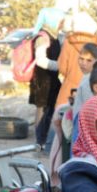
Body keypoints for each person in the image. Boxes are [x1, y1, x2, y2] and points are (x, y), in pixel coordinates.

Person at [29, 8, 65, 149]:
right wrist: (60, 66)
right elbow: (40, 60)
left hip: (49, 79)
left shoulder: (52, 36)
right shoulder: (43, 37)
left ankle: (41, 139)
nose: (62, 24)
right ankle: (39, 141)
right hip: (43, 80)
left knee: (46, 109)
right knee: (42, 110)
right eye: (60, 21)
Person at [55, 12, 97, 109]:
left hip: (70, 88)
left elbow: (62, 67)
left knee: (65, 119)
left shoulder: (68, 42)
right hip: (90, 89)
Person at [72, 43, 97, 117]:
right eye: (81, 59)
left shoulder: (90, 81)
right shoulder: (87, 75)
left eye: (89, 60)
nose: (84, 63)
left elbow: (90, 110)